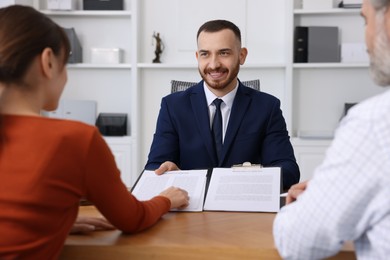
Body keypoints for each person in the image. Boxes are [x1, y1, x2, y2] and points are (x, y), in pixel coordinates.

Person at [0, 5, 189, 259]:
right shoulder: (75, 140)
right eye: (66, 63)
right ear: (47, 61)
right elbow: (133, 219)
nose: (67, 77)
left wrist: (57, 221)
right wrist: (167, 198)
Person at [273, 0, 390, 258]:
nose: (365, 42)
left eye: (365, 20)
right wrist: (333, 188)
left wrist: (313, 202)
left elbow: (299, 242)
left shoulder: (373, 123)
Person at [145, 19, 300, 190]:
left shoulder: (267, 107)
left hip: (243, 207)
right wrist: (169, 174)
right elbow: (154, 167)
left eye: (224, 53)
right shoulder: (172, 106)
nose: (214, 64)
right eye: (205, 54)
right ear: (197, 57)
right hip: (190, 205)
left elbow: (289, 171)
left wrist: (250, 176)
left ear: (242, 55)